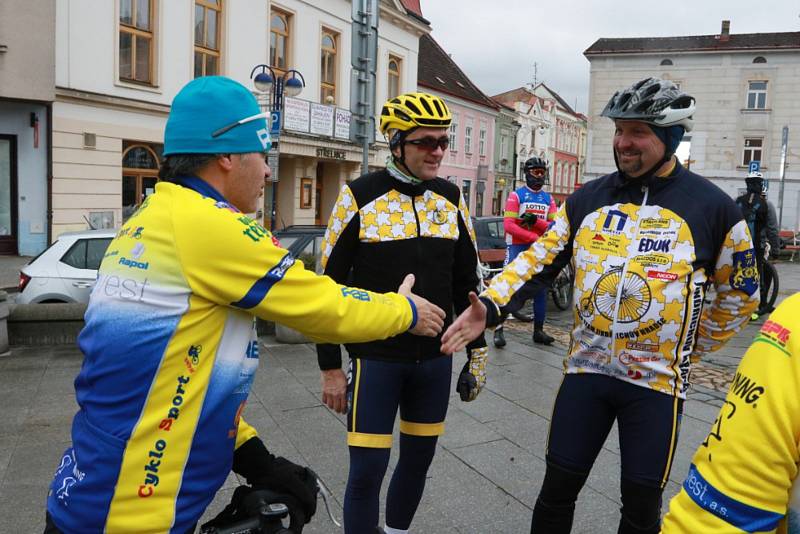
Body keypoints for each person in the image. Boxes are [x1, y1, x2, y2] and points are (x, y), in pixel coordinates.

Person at [44, 76, 446, 534]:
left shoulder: (151, 218)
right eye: (263, 153)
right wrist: (406, 311)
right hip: (130, 513)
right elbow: (322, 303)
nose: (269, 171)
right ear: (227, 156)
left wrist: (250, 455)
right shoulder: (210, 225)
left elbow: (170, 377)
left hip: (95, 492)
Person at [441, 77, 759, 533]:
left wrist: (690, 344)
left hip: (655, 386)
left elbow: (741, 293)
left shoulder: (713, 208)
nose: (623, 143)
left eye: (637, 132)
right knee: (556, 493)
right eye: (618, 131)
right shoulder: (589, 198)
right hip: (586, 374)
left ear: (669, 137)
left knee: (639, 508)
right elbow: (536, 261)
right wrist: (489, 306)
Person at [316, 91, 488, 534]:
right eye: (426, 142)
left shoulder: (451, 198)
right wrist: (330, 368)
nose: (437, 151)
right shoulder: (358, 196)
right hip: (376, 358)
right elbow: (324, 289)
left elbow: (467, 283)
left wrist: (478, 353)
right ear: (396, 143)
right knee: (367, 473)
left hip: (434, 361)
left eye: (443, 142)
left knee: (417, 465)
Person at [661, 292, 800, 533]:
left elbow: (741, 295)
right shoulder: (794, 321)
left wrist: (687, 350)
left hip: (656, 379)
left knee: (640, 494)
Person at [492, 156, 557, 348]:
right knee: (506, 289)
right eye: (535, 172)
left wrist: (536, 222)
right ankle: (498, 329)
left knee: (541, 290)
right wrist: (533, 237)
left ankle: (538, 330)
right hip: (517, 247)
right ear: (526, 174)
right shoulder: (516, 196)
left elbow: (554, 227)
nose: (539, 176)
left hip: (537, 251)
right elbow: (509, 225)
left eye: (542, 173)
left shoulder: (548, 198)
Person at [736, 171, 781, 318]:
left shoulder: (737, 201)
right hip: (757, 247)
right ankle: (759, 306)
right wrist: (776, 250)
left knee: (737, 275)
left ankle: (737, 306)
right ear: (761, 186)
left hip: (737, 247)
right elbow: (772, 230)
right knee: (759, 275)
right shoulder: (766, 204)